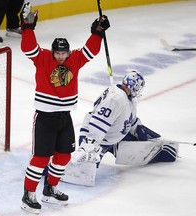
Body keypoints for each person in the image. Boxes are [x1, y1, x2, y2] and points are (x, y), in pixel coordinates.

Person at [19, 2, 110, 214]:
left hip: (64, 117)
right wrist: (27, 28)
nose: (60, 56)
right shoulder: (42, 59)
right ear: (52, 52)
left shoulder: (75, 59)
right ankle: (28, 195)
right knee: (41, 158)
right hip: (45, 117)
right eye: (57, 53)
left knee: (64, 156)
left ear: (68, 52)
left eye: (63, 53)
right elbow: (28, 48)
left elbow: (90, 50)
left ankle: (50, 190)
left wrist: (97, 32)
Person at [64, 71, 179, 186]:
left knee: (135, 141)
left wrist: (138, 129)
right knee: (83, 172)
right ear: (135, 87)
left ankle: (115, 147)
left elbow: (130, 119)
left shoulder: (128, 99)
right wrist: (89, 146)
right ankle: (53, 169)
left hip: (112, 136)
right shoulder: (116, 99)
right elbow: (99, 123)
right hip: (96, 139)